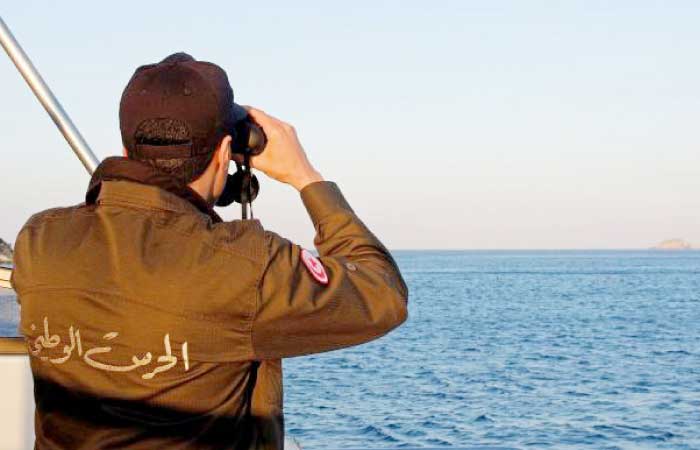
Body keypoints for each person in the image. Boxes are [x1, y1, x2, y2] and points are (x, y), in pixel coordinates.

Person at [11, 53, 408, 450]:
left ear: (127, 147)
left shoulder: (40, 241)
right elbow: (382, 293)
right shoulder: (246, 267)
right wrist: (306, 177)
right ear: (224, 153)